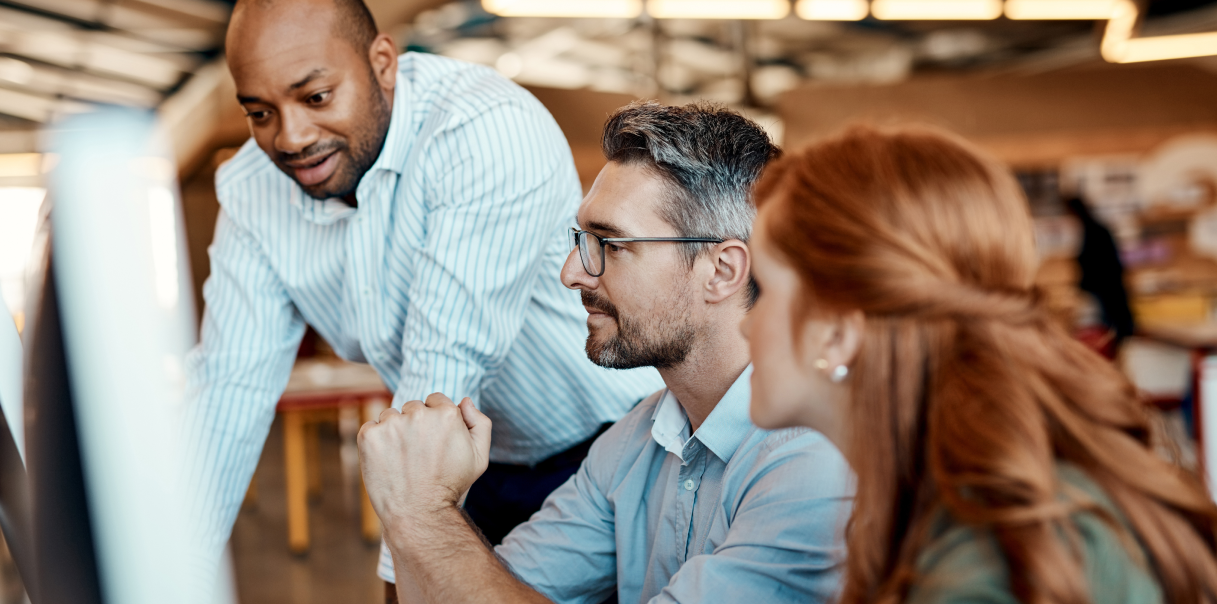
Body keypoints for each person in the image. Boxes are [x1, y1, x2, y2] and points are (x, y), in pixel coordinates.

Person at [184, 0, 663, 589]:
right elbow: (228, 390)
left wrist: (405, 575)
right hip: (473, 468)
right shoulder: (253, 191)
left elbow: (443, 366)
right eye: (260, 112)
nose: (290, 137)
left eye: (316, 98)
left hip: (613, 446)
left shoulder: (482, 129)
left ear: (381, 61)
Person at [358, 101, 853, 604]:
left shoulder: (811, 461)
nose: (572, 273)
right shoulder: (635, 443)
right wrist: (415, 512)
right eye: (581, 240)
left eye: (611, 244)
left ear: (722, 271)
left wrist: (423, 511)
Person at [743, 124, 1217, 604]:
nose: (745, 324)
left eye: (761, 290)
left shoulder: (988, 569)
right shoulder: (992, 508)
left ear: (839, 333)